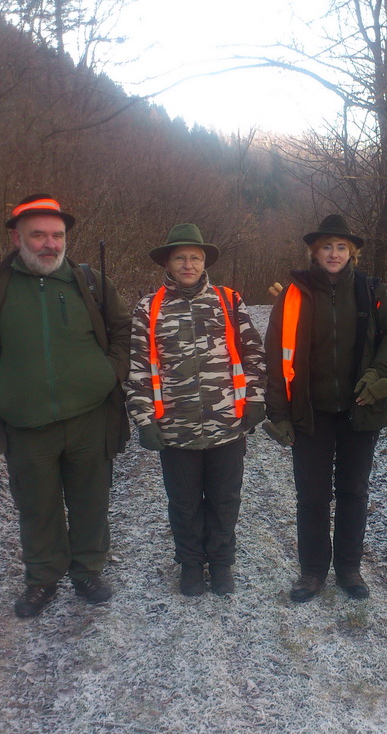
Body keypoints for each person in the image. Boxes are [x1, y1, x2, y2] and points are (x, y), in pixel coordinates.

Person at [0, 193, 131, 618]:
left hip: (89, 417)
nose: (50, 244)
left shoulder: (89, 282)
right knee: (36, 506)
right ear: (17, 238)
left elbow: (124, 330)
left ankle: (87, 571)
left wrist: (110, 372)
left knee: (91, 501)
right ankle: (42, 578)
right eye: (38, 235)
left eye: (57, 235)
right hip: (25, 423)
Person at [263, 215, 387, 603]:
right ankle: (311, 572)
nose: (334, 253)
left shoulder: (372, 290)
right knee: (311, 496)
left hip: (361, 409)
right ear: (314, 251)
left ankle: (348, 569)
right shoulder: (294, 294)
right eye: (327, 246)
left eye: (342, 247)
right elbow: (275, 355)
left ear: (352, 253)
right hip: (310, 412)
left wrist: (381, 373)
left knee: (353, 492)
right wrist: (278, 413)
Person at [125, 224, 266, 597]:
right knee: (184, 504)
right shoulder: (148, 308)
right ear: (168, 263)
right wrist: (144, 419)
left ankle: (220, 564)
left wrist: (255, 398)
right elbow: (138, 368)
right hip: (174, 429)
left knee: (225, 500)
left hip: (227, 425)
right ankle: (190, 565)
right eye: (180, 258)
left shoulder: (228, 301)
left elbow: (253, 352)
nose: (188, 264)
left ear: (205, 263)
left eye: (195, 258)